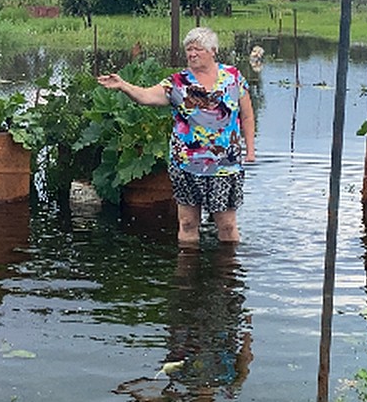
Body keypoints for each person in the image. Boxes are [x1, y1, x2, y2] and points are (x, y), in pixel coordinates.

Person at [97, 27, 256, 247]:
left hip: (225, 165)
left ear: (213, 51)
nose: (192, 54)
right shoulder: (177, 83)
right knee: (188, 223)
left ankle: (226, 276)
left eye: (198, 49)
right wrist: (124, 86)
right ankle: (187, 277)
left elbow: (247, 116)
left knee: (227, 225)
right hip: (187, 165)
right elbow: (146, 96)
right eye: (189, 50)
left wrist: (250, 150)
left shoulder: (233, 77)